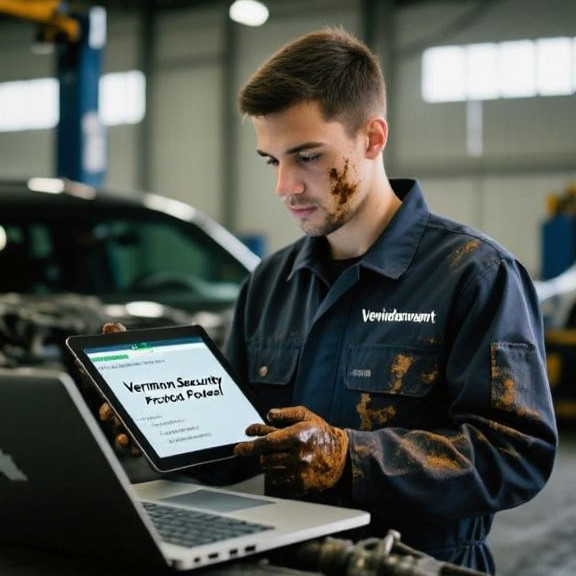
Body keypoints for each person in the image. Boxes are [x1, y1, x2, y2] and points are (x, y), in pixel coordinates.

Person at [100, 27, 557, 575]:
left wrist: (351, 457)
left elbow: (516, 454)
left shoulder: (475, 275)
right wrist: (161, 427)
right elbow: (239, 448)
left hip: (417, 563)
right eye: (272, 161)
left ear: (372, 138)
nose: (285, 186)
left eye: (308, 157)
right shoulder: (271, 281)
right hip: (282, 562)